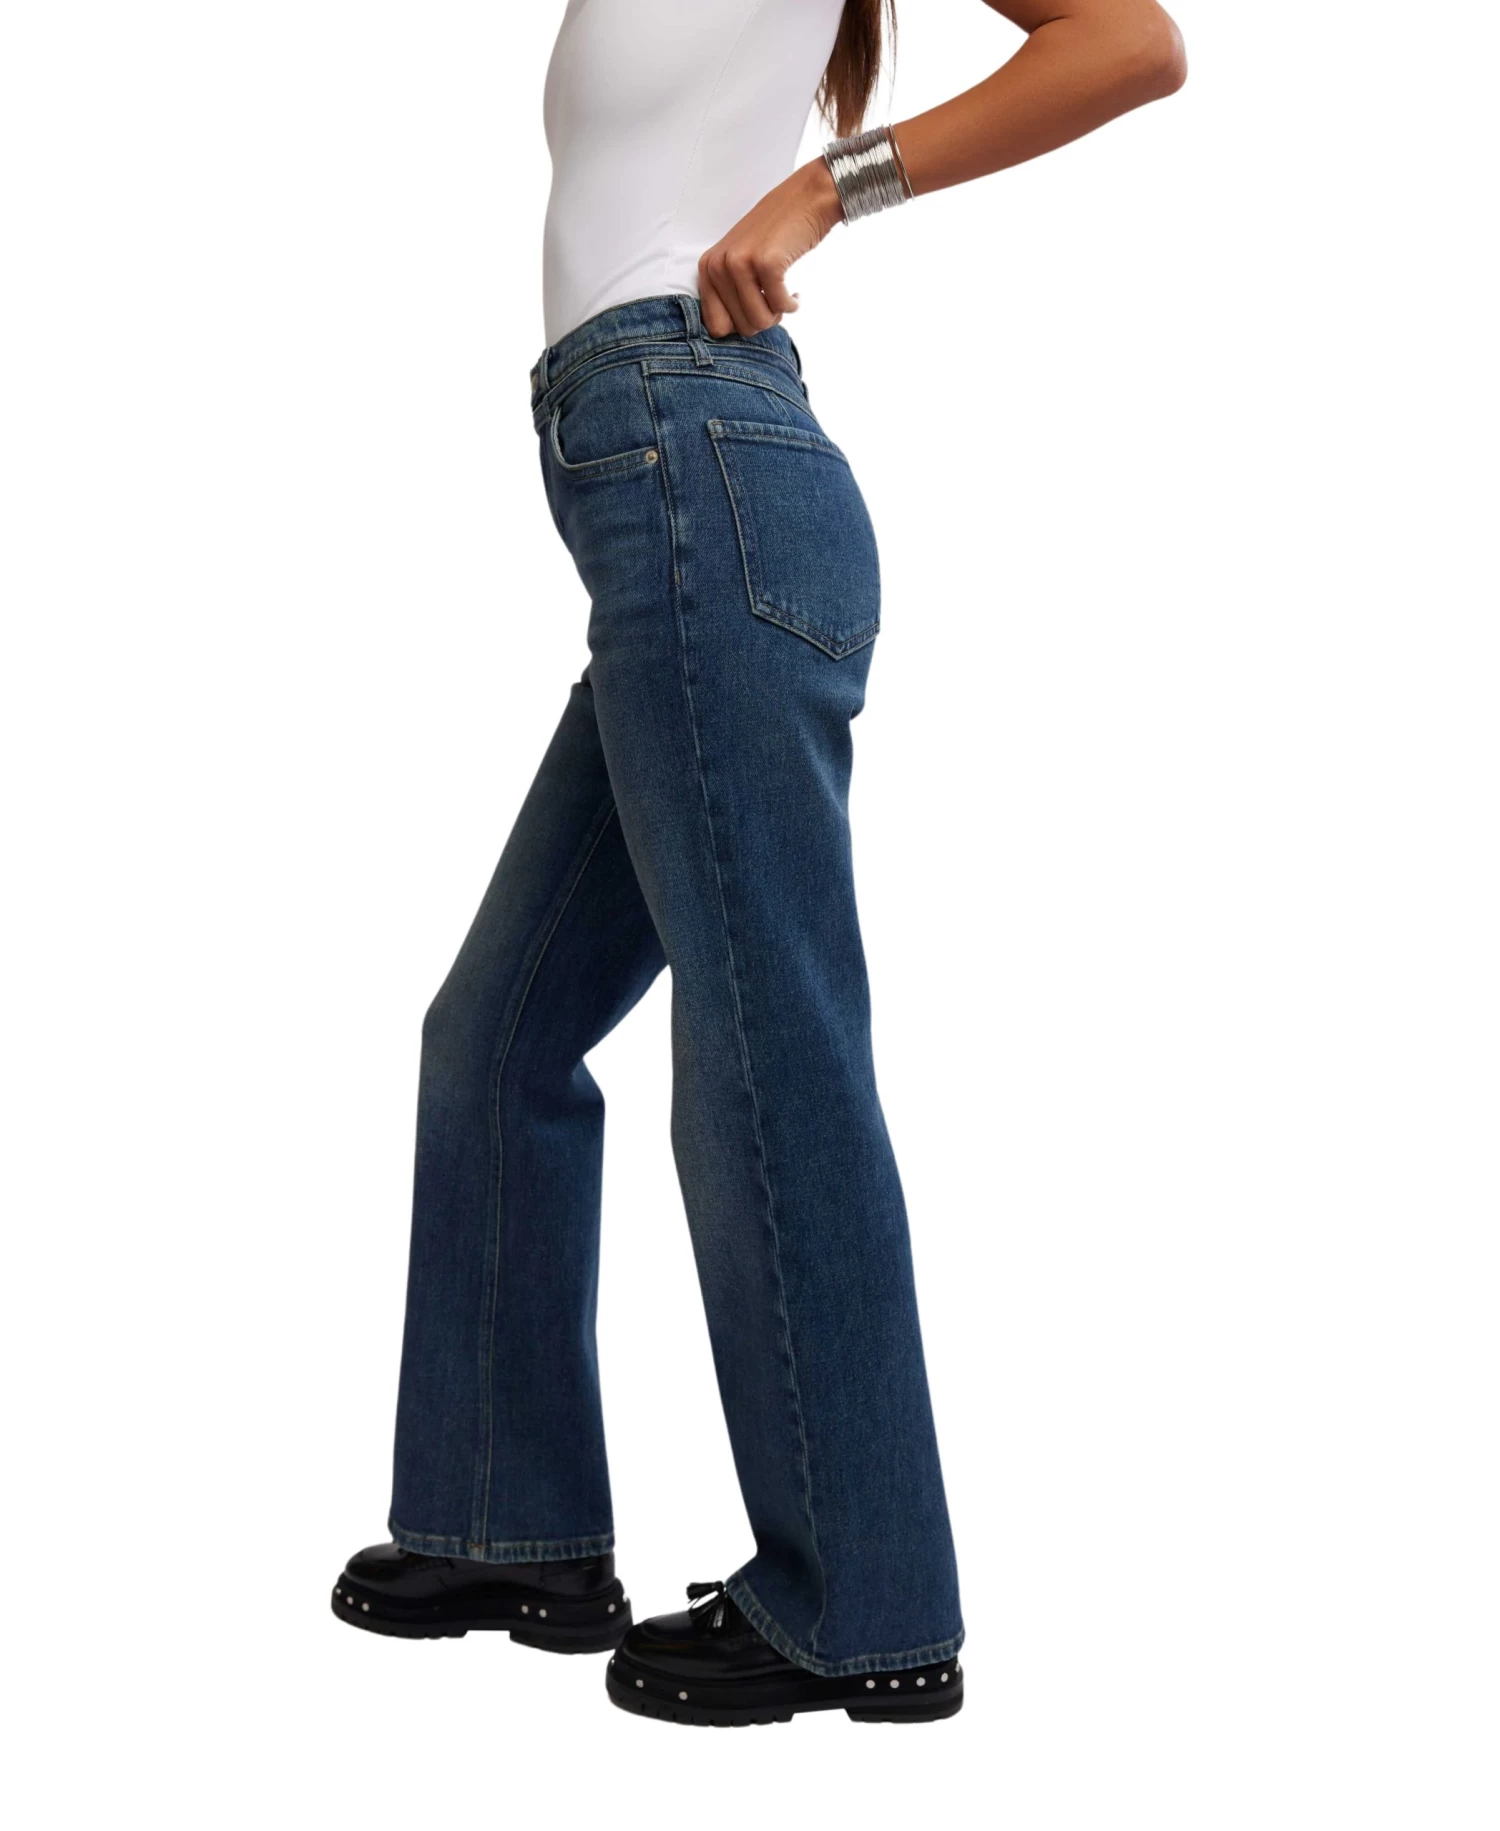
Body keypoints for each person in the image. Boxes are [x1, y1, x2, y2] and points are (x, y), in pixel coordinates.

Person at [331, 0, 1186, 1728]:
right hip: (667, 488)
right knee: (496, 1036)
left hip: (696, 467)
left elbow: (1129, 41)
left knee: (764, 1044)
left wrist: (824, 190)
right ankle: (510, 1525)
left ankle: (861, 1600)